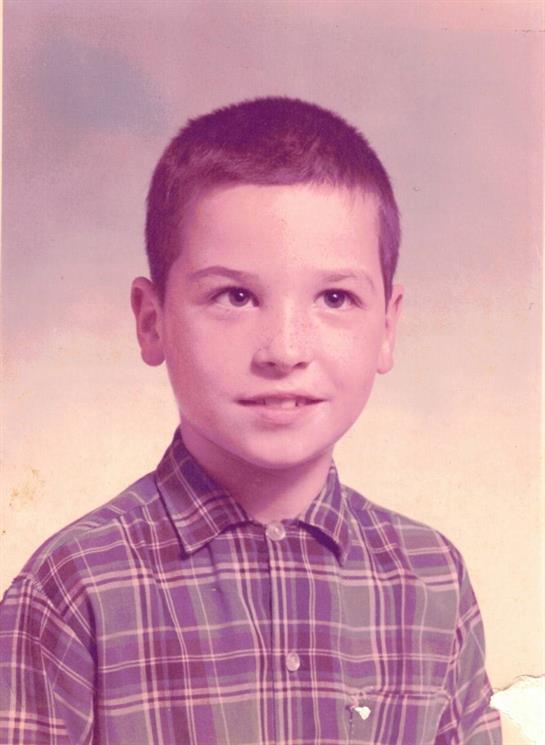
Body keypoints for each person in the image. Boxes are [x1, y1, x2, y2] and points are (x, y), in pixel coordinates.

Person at [0, 97, 501, 745]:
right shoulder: (73, 588)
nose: (284, 351)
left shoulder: (432, 578)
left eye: (335, 297)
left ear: (387, 326)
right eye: (235, 296)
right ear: (151, 321)